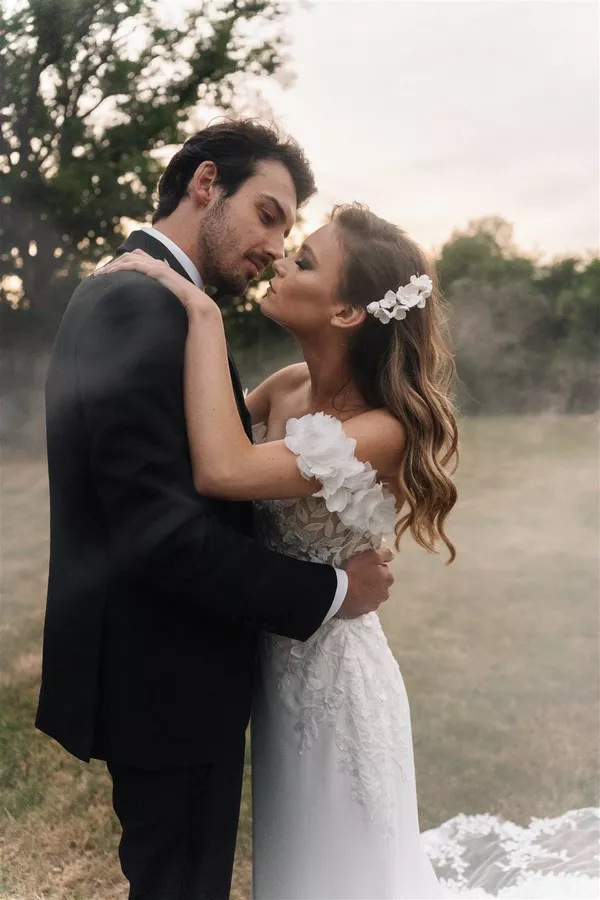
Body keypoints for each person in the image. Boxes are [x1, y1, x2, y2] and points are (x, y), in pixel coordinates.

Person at [35, 120, 395, 900]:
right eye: (269, 215)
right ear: (206, 186)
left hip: (178, 666)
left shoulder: (164, 301)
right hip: (167, 672)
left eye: (293, 234)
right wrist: (337, 591)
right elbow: (162, 536)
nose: (275, 246)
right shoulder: (143, 303)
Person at [96, 201, 459, 898]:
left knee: (342, 867)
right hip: (269, 671)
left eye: (307, 260)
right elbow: (193, 434)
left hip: (338, 684)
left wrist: (200, 312)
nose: (282, 258)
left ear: (348, 312)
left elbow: (224, 470)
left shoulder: (381, 431)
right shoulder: (289, 387)